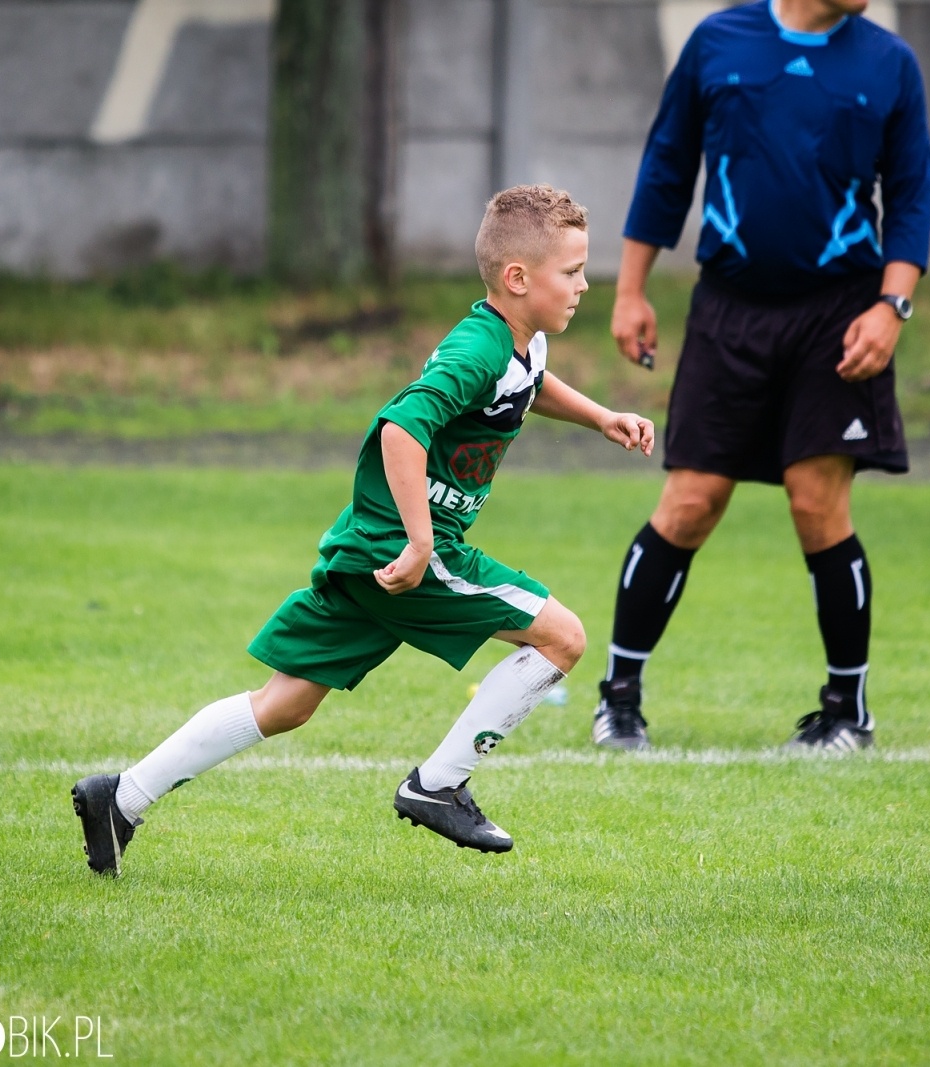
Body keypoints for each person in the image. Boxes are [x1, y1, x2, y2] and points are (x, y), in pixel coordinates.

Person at [72, 185, 655, 874]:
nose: (586, 284)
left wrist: (600, 417)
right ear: (517, 278)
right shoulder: (479, 347)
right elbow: (402, 428)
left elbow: (526, 385)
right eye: (573, 270)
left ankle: (121, 797)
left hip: (369, 547)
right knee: (564, 636)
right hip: (402, 545)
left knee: (284, 702)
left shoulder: (516, 344)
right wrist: (421, 542)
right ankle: (436, 786)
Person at [592, 0, 930, 752]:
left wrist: (891, 306)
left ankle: (847, 712)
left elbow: (910, 193)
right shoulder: (719, 42)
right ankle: (619, 700)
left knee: (819, 505)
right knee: (690, 500)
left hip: (838, 315)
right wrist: (629, 289)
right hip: (730, 311)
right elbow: (667, 164)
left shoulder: (889, 64)